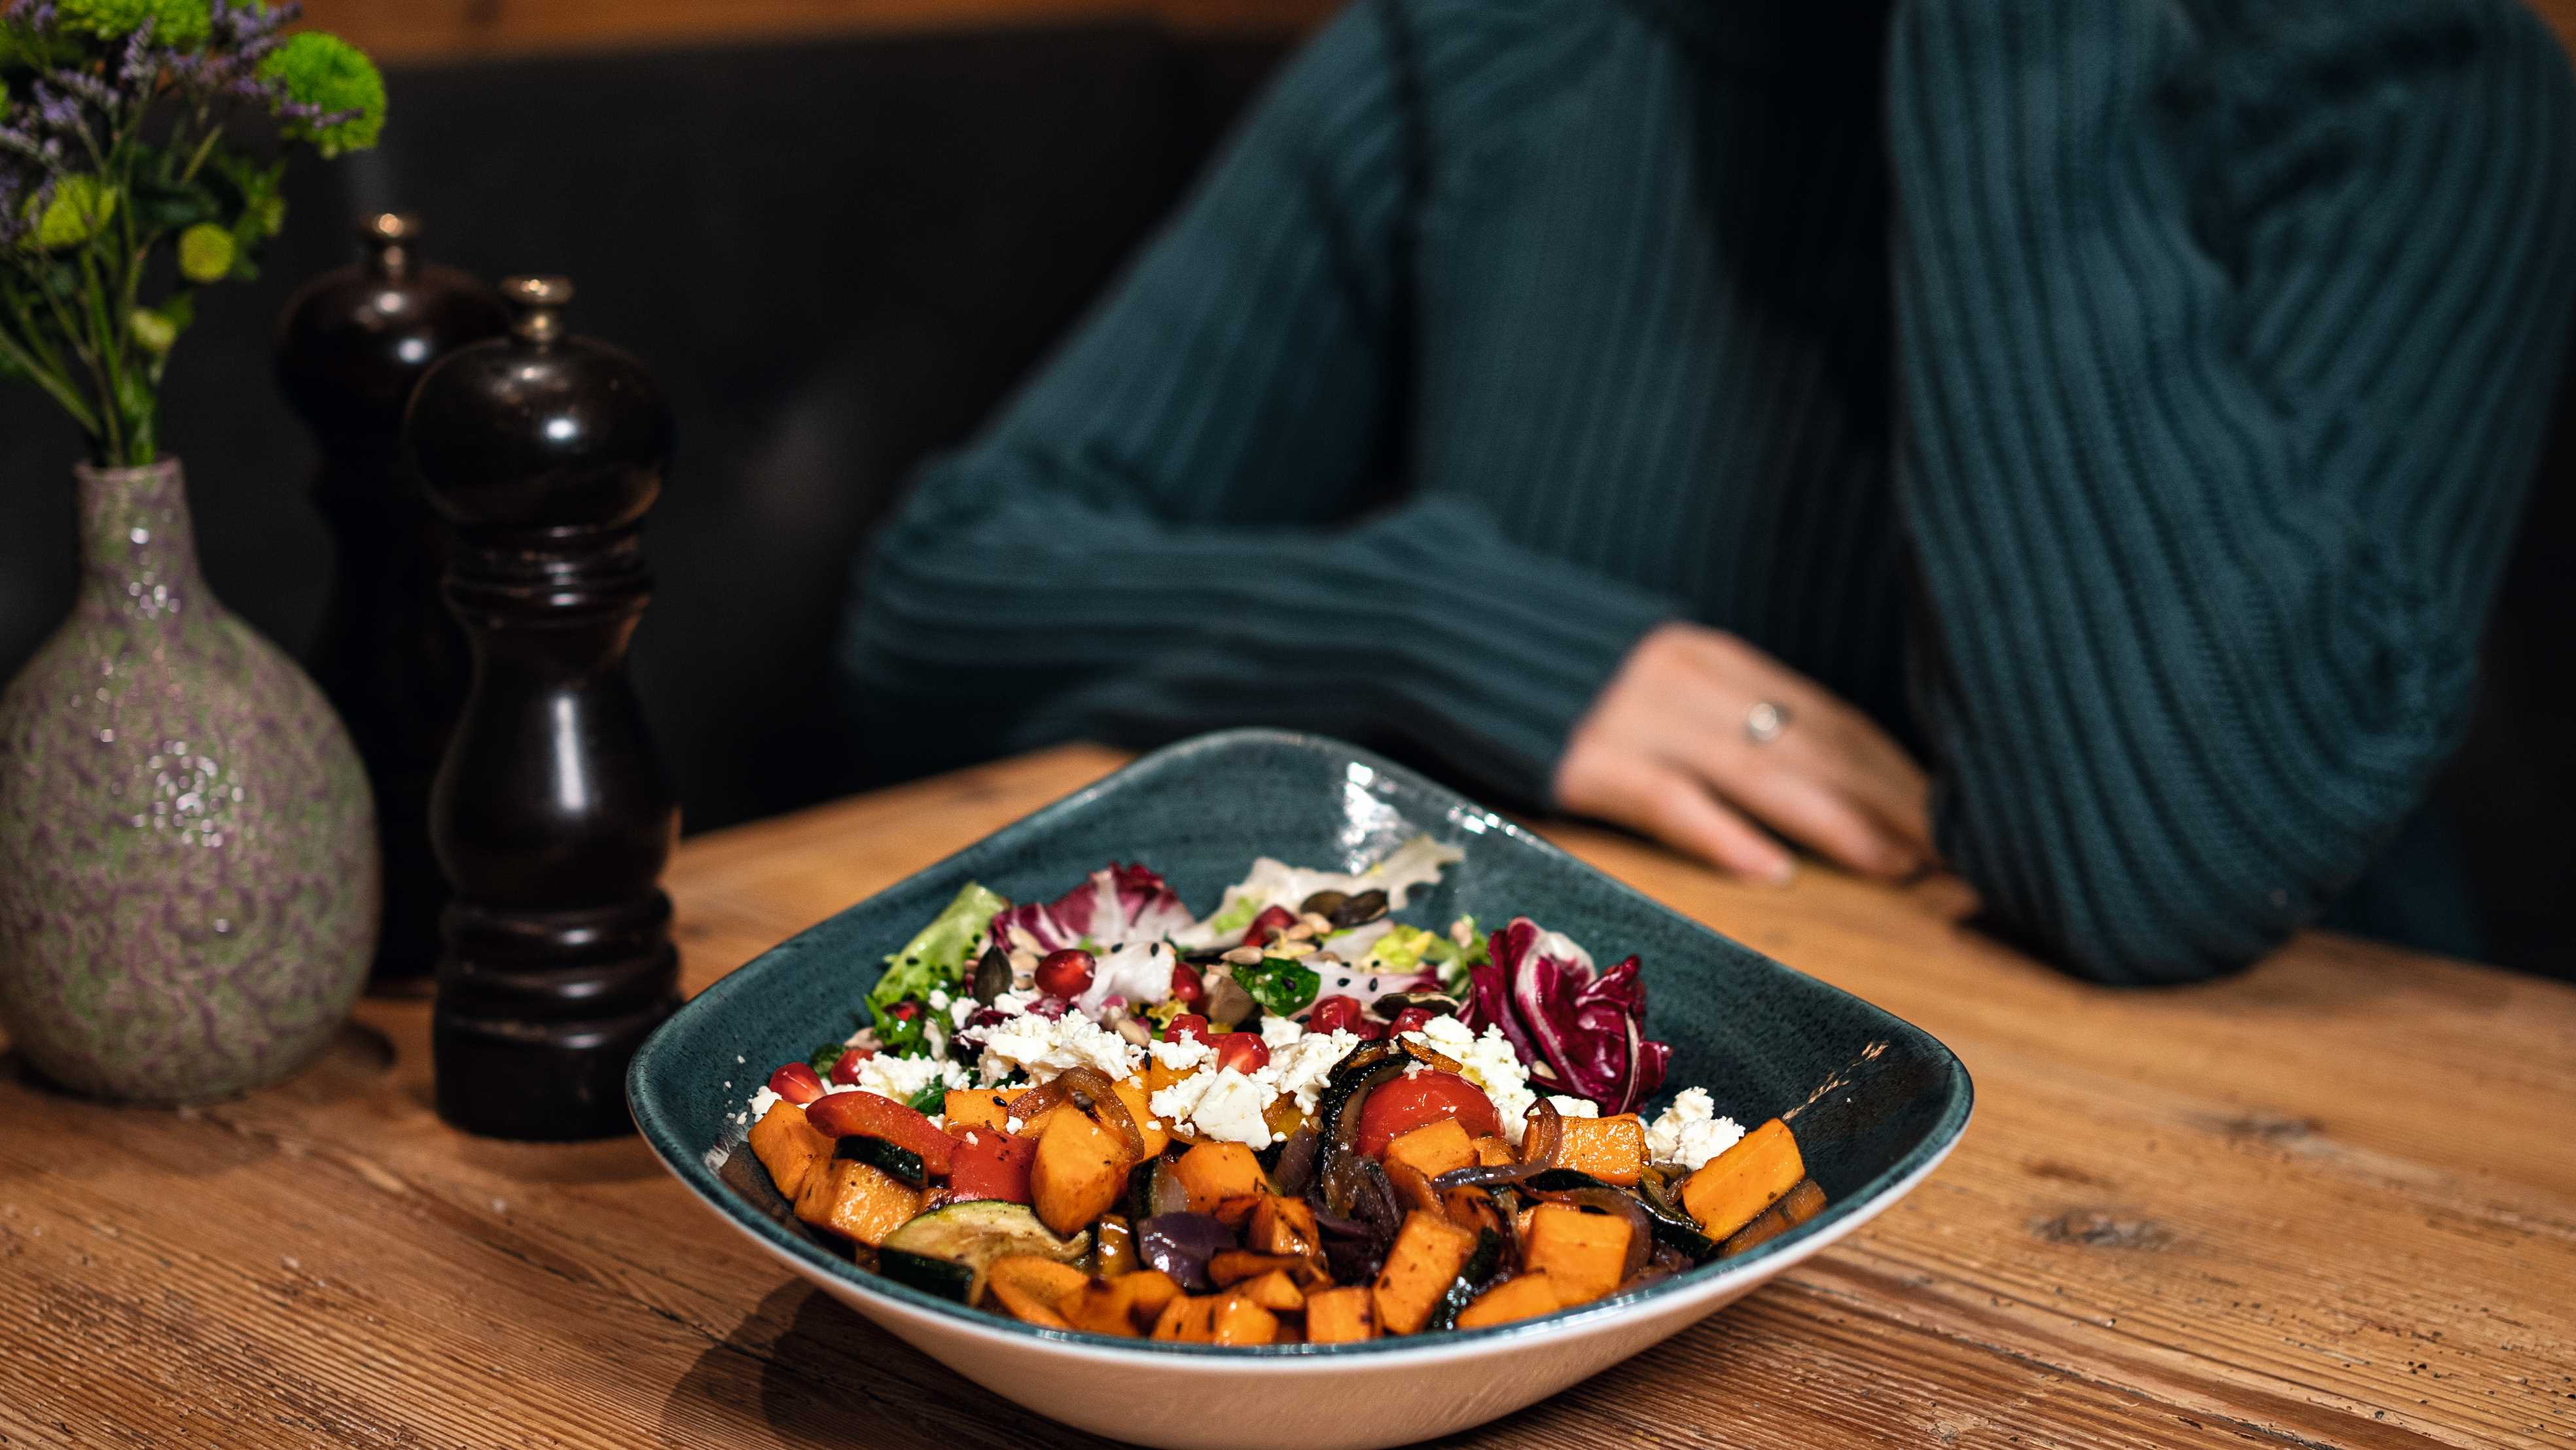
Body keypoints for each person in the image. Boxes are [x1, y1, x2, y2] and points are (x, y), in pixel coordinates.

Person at [839, 0, 2576, 984]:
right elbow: (945, 594)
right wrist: (1468, 639)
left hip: (2269, 1232)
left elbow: (2163, 864)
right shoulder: (1495, 45)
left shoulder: (2412, 94)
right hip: (1616, 1146)